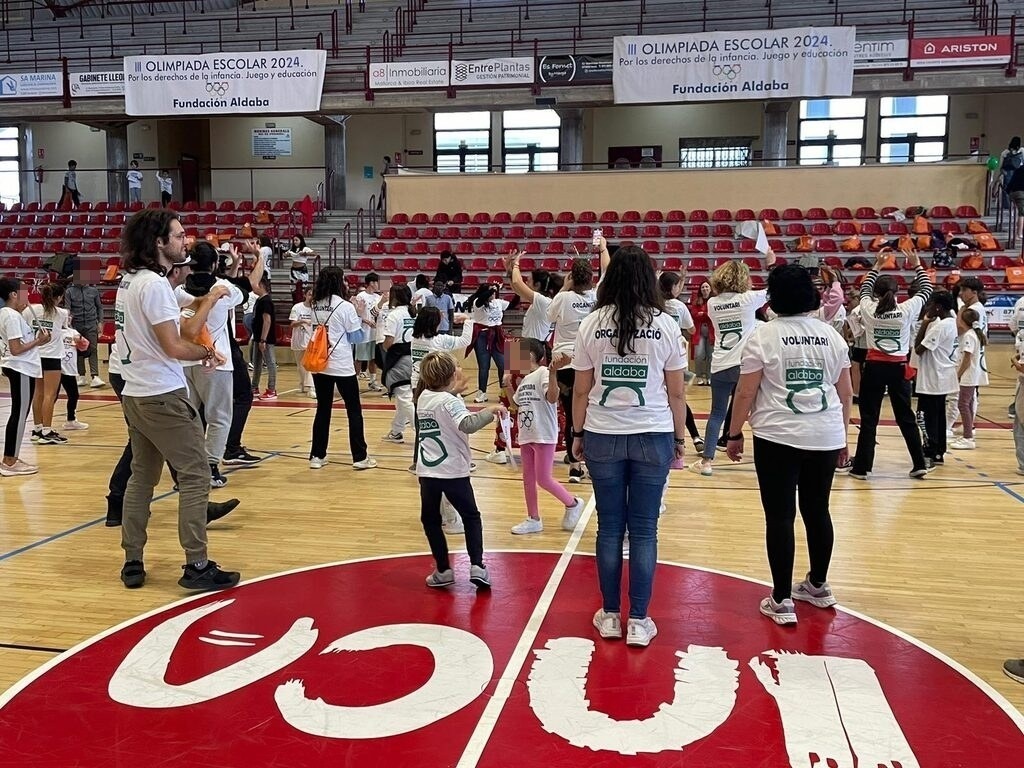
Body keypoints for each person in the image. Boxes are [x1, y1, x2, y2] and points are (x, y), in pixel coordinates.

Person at [114, 208, 239, 591]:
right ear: (158, 242)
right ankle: (197, 565)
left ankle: (132, 560)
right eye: (179, 235)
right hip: (161, 395)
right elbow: (173, 345)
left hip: (135, 392)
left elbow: (179, 329)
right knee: (196, 475)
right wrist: (206, 354)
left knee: (142, 478)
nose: (185, 240)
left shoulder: (130, 280)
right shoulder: (153, 285)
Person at [572, 245, 688, 648]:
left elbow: (582, 389)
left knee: (608, 529)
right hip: (653, 432)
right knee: (643, 531)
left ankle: (609, 615)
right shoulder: (666, 324)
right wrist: (678, 438)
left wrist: (577, 433)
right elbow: (677, 393)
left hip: (603, 433)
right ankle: (638, 619)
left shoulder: (591, 323)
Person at [725, 265, 853, 625]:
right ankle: (819, 584)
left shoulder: (763, 336)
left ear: (773, 297)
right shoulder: (832, 337)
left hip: (777, 436)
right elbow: (845, 393)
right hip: (825, 435)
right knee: (817, 510)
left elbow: (746, 390)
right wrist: (842, 437)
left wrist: (734, 434)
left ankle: (781, 599)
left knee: (780, 516)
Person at [415, 350, 503, 589]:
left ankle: (443, 569)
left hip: (428, 473)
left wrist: (454, 391)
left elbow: (444, 402)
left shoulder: (423, 396)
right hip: (453, 471)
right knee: (471, 516)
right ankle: (477, 566)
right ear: (451, 374)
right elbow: (468, 424)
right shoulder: (451, 402)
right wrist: (491, 411)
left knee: (431, 520)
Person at [849, 248, 933, 480]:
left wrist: (877, 265)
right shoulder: (906, 310)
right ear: (897, 292)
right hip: (898, 369)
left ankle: (862, 467)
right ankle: (919, 463)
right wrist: (916, 264)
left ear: (877, 293)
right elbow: (926, 289)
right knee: (905, 417)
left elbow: (864, 289)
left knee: (869, 418)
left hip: (874, 368)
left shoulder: (869, 309)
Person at [692, 249, 776, 477]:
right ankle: (767, 459)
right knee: (759, 411)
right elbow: (774, 289)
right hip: (745, 365)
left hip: (720, 364)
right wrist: (770, 265)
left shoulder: (712, 303)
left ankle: (707, 462)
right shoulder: (748, 299)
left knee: (716, 414)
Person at [175, 241, 247, 487]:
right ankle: (211, 466)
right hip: (214, 360)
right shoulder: (222, 287)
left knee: (191, 417)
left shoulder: (178, 289)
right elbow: (243, 293)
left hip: (184, 360)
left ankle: (188, 468)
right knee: (219, 416)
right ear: (215, 264)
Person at [509, 338, 584, 534]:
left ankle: (573, 503)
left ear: (529, 356)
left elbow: (552, 397)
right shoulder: (524, 380)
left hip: (543, 434)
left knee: (543, 479)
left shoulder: (543, 373)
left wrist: (552, 373)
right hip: (527, 434)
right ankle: (533, 518)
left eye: (516, 354)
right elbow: (516, 404)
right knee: (528, 479)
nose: (512, 358)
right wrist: (508, 385)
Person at [308, 266, 377, 471]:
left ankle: (317, 455)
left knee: (323, 409)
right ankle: (359, 456)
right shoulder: (345, 307)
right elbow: (356, 337)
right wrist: (357, 314)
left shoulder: (315, 305)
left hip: (320, 364)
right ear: (339, 282)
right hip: (342, 365)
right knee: (353, 410)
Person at [547, 258, 597, 481]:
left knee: (570, 413)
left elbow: (548, 317)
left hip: (563, 360)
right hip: (587, 360)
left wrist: (564, 288)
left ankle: (575, 465)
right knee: (589, 412)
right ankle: (588, 461)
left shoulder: (561, 297)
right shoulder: (596, 297)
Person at [0, 277, 48, 476]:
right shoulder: (10, 315)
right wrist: (38, 341)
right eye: (24, 292)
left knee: (20, 413)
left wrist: (40, 341)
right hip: (20, 368)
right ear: (13, 295)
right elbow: (16, 348)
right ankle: (9, 461)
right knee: (19, 415)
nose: (28, 295)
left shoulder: (12, 314)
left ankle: (11, 458)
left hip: (22, 368)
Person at [659, 269, 703, 453]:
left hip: (657, 357)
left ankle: (685, 437)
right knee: (678, 399)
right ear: (674, 287)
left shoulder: (655, 304)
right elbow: (692, 330)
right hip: (675, 359)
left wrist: (681, 279)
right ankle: (693, 437)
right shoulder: (679, 306)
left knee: (664, 399)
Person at [913, 292, 959, 466]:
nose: (928, 308)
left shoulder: (939, 326)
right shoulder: (951, 322)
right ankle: (939, 451)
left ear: (938, 306)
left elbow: (918, 348)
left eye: (930, 304)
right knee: (938, 416)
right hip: (943, 375)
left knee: (924, 417)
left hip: (933, 378)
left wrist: (925, 322)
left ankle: (930, 452)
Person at [25, 283, 70, 445]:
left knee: (38, 393)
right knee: (50, 395)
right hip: (51, 357)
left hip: (35, 356)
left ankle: (37, 429)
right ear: (58, 298)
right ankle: (47, 431)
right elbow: (66, 328)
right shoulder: (62, 313)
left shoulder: (31, 310)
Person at [381, 283, 417, 444]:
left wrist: (383, 347)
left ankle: (422, 431)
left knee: (404, 397)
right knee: (403, 396)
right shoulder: (414, 313)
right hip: (415, 356)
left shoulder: (394, 315)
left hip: (399, 358)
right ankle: (396, 430)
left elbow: (388, 342)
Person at [950, 308, 988, 451]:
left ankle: (968, 438)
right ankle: (968, 432)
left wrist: (958, 374)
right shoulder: (974, 334)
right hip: (972, 374)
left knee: (963, 404)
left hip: (968, 375)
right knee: (969, 403)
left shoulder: (969, 336)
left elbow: (967, 359)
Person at [468, 282, 509, 403]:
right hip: (482, 335)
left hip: (497, 335)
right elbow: (481, 299)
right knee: (484, 366)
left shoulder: (498, 302)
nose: (493, 293)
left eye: (494, 292)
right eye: (491, 292)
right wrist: (492, 289)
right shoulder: (477, 302)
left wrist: (516, 291)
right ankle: (482, 392)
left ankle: (504, 392)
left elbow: (513, 304)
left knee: (503, 365)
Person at [65, 269, 104, 388]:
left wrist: (100, 322)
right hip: (76, 325)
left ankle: (95, 376)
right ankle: (81, 375)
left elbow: (100, 308)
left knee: (93, 349)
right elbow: (68, 309)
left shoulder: (93, 291)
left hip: (91, 323)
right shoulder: (69, 292)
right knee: (78, 350)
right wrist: (69, 327)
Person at [354, 272, 383, 391]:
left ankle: (373, 381)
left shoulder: (378, 297)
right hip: (363, 332)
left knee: (373, 358)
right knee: (359, 358)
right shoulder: (361, 296)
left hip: (374, 333)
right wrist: (366, 321)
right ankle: (354, 381)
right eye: (377, 282)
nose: (379, 284)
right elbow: (356, 314)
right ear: (371, 283)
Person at [251, 274, 278, 400]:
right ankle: (254, 387)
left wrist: (263, 339)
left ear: (261, 285)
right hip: (257, 337)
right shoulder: (259, 300)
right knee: (256, 364)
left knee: (270, 363)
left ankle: (272, 389)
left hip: (265, 339)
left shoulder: (266, 301)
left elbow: (267, 321)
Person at [56, 325, 88, 431]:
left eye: (69, 316)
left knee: (73, 395)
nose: (67, 318)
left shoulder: (73, 332)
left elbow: (85, 347)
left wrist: (80, 341)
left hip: (69, 369)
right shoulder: (55, 330)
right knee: (52, 396)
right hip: (55, 368)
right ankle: (43, 423)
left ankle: (71, 420)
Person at [289, 287, 314, 397]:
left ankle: (310, 388)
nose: (311, 297)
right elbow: (292, 323)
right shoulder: (297, 307)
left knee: (309, 365)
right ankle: (303, 384)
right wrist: (303, 321)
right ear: (305, 295)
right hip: (298, 340)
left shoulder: (316, 309)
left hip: (311, 340)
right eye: (309, 294)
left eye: (313, 295)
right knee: (301, 366)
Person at [690, 280, 713, 385]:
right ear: (700, 290)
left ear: (710, 289)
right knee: (699, 355)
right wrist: (706, 314)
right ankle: (699, 376)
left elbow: (712, 315)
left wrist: (702, 314)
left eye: (707, 287)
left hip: (712, 331)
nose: (705, 289)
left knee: (711, 355)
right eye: (703, 287)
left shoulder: (714, 301)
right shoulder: (696, 301)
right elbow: (694, 315)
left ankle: (709, 377)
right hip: (699, 331)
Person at [1001, 136, 1024, 210]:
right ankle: (1018, 206)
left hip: (1007, 173)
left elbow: (1001, 166)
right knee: (1019, 190)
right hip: (1019, 172)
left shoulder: (1005, 152)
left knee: (1007, 190)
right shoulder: (1022, 150)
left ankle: (1008, 207)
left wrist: (1002, 171)